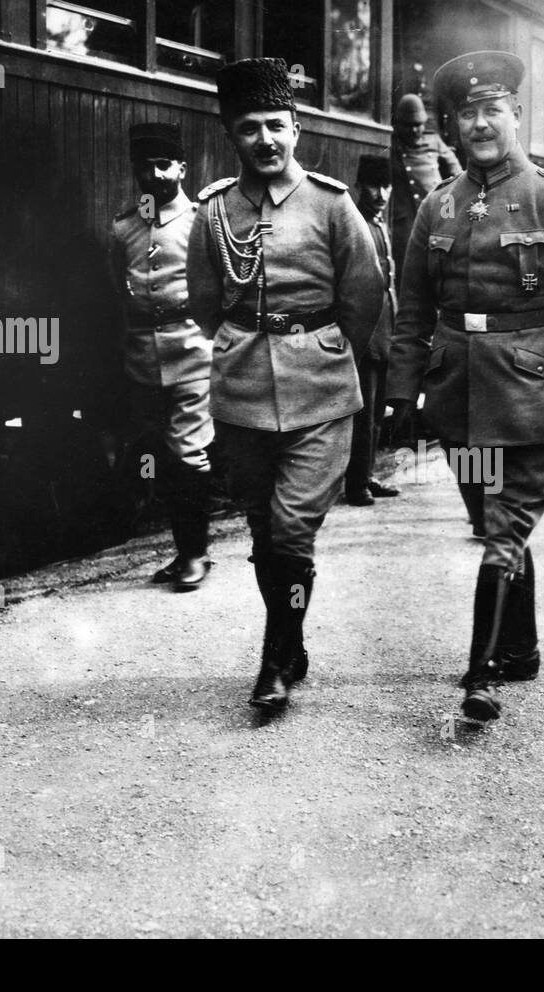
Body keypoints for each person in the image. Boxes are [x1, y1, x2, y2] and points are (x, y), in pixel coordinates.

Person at [385, 50, 544, 721]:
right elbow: (413, 310)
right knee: (494, 523)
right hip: (460, 399)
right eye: (468, 114)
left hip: (530, 397)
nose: (481, 124)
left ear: (516, 116)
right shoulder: (439, 207)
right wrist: (402, 393)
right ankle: (520, 649)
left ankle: (481, 674)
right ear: (454, 126)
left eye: (494, 110)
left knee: (503, 532)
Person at [188, 57, 383, 710]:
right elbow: (203, 299)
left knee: (292, 527)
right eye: (249, 128)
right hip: (242, 391)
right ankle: (291, 641)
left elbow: (363, 296)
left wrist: (319, 348)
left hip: (321, 395)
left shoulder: (331, 206)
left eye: (276, 125)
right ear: (231, 136)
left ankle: (274, 660)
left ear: (297, 127)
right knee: (263, 530)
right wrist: (249, 341)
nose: (265, 140)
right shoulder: (215, 211)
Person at [110, 122, 213, 591]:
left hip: (193, 351)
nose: (153, 175)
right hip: (142, 357)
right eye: (143, 165)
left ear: (181, 168)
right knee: (157, 450)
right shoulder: (125, 227)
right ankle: (184, 550)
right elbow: (118, 288)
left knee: (187, 453)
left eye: (163, 164)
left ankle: (194, 555)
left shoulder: (200, 221)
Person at [344, 154, 402, 506]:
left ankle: (366, 474)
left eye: (386, 186)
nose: (380, 193)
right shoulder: (355, 224)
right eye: (372, 186)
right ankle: (355, 484)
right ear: (359, 187)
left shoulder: (381, 225)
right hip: (364, 335)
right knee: (363, 414)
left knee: (378, 411)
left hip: (384, 332)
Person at [388, 93, 462, 288]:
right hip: (405, 218)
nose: (414, 130)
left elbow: (456, 172)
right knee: (407, 271)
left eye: (418, 124)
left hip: (435, 214)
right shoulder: (392, 144)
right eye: (408, 125)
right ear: (398, 124)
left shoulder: (434, 141)